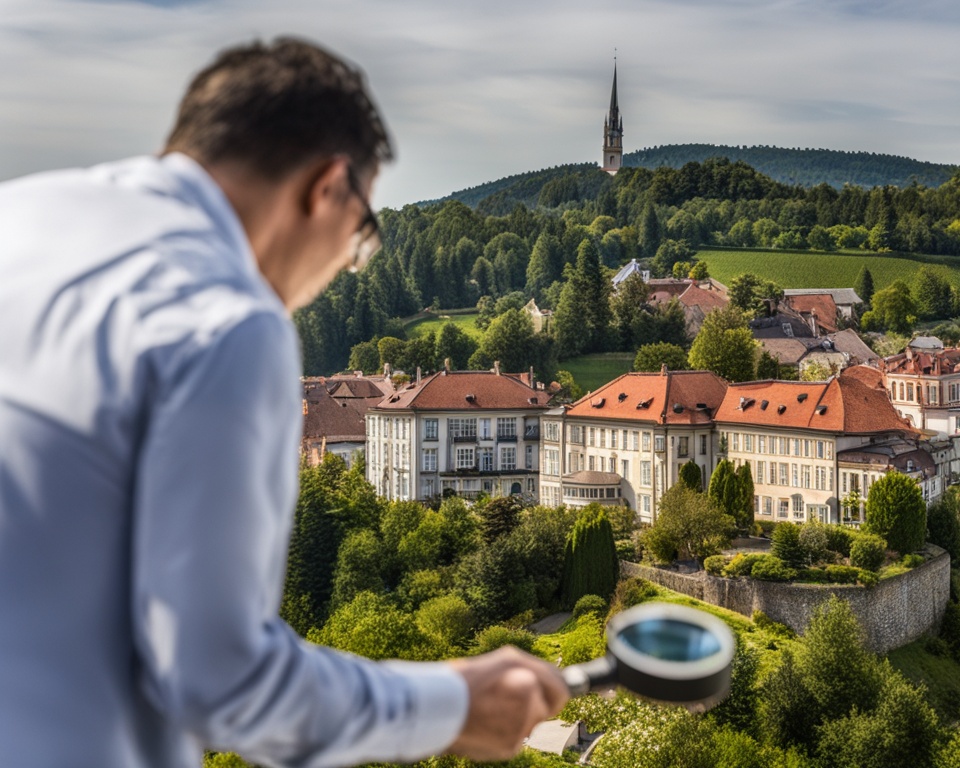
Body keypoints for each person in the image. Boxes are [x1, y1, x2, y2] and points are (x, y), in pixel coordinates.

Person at [0, 38, 567, 767]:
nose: (339, 271)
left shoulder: (19, 216)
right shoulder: (224, 318)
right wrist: (450, 706)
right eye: (359, 240)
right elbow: (222, 682)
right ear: (327, 187)